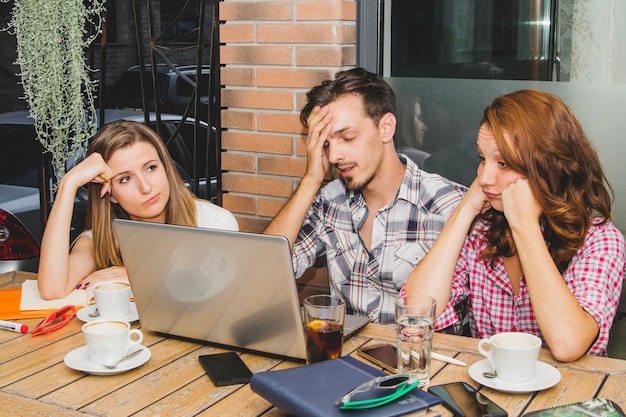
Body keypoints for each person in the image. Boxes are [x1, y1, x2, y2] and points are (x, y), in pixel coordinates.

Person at [404, 90, 625, 361]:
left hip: (569, 397)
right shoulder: (481, 231)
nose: (484, 178)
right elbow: (416, 311)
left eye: (504, 163)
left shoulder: (600, 239)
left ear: (548, 166)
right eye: (483, 160)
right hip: (487, 396)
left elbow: (568, 343)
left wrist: (525, 225)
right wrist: (465, 211)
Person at [263, 68, 466, 324]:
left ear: (386, 128)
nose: (335, 156)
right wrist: (311, 180)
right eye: (326, 144)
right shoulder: (329, 201)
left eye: (347, 137)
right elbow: (264, 276)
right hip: (343, 360)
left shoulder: (447, 204)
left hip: (415, 359)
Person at [38, 120, 238, 299]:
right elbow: (52, 289)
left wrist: (136, 276)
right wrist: (68, 184)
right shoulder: (98, 240)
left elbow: (214, 294)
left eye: (151, 168)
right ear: (110, 194)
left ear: (166, 168)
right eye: (125, 178)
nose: (146, 187)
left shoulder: (213, 223)